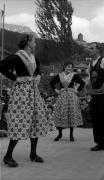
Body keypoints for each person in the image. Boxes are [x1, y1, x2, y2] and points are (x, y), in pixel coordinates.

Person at [0, 33, 55, 167]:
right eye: (34, 41)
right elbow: (1, 66)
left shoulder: (34, 58)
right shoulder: (17, 57)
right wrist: (15, 78)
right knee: (20, 120)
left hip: (34, 92)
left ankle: (33, 154)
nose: (35, 44)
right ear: (28, 42)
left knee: (35, 121)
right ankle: (7, 156)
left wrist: (38, 77)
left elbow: (38, 71)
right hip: (22, 93)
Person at [50, 61, 85, 142]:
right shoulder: (59, 75)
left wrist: (77, 90)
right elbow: (51, 82)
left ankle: (71, 134)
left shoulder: (74, 75)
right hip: (62, 96)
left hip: (71, 96)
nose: (70, 68)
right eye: (68, 66)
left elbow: (82, 83)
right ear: (64, 67)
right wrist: (56, 90)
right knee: (60, 114)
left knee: (71, 113)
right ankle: (60, 134)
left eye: (71, 67)